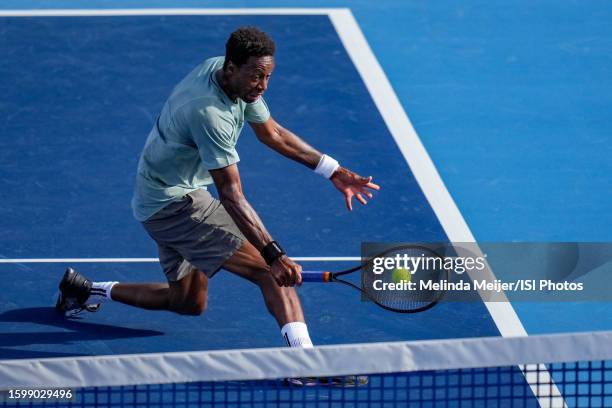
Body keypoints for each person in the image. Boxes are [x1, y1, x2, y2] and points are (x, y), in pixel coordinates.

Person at [56, 27, 379, 355]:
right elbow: (232, 195)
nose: (263, 86)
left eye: (268, 76)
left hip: (154, 199)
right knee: (269, 273)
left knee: (188, 302)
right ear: (231, 68)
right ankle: (306, 362)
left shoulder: (228, 76)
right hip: (177, 205)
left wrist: (333, 170)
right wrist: (275, 255)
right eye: (257, 77)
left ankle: (87, 291)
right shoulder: (210, 115)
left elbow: (274, 134)